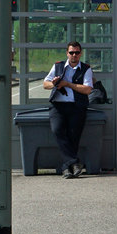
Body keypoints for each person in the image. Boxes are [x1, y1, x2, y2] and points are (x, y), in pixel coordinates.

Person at [43, 41, 95, 179]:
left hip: (77, 106)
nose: (74, 55)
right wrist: (54, 84)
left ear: (80, 54)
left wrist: (68, 84)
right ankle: (74, 163)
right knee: (57, 130)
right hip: (58, 106)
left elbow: (87, 89)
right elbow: (45, 84)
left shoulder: (86, 69)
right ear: (67, 53)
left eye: (77, 53)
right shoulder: (58, 66)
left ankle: (66, 168)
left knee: (73, 136)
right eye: (71, 52)